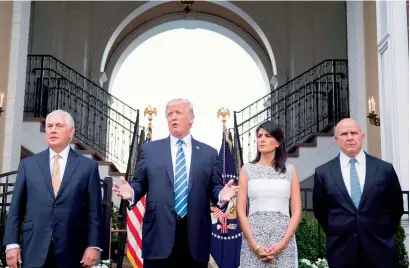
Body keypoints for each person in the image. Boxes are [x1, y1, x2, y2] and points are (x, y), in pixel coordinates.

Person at [113, 98, 239, 268]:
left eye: (178, 113)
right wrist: (133, 192)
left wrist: (222, 197)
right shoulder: (150, 151)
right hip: (158, 238)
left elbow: (215, 188)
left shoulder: (209, 153)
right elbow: (139, 182)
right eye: (169, 114)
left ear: (191, 117)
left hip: (195, 241)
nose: (173, 118)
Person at [3, 110, 103, 268]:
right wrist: (11, 244)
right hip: (34, 249)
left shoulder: (87, 167)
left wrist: (94, 246)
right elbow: (16, 208)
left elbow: (94, 212)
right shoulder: (28, 165)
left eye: (59, 126)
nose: (53, 130)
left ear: (71, 131)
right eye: (49, 126)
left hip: (72, 251)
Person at [313, 118, 404, 268]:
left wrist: (379, 230)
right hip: (342, 252)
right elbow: (321, 211)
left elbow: (396, 208)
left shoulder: (384, 169)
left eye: (353, 133)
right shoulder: (323, 173)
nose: (349, 137)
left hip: (380, 251)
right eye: (344, 134)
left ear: (362, 136)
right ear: (337, 139)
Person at [237, 120, 301, 267]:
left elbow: (296, 211)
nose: (262, 140)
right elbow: (241, 211)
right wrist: (255, 246)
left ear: (277, 142)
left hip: (282, 239)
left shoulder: (290, 171)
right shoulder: (246, 170)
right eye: (259, 136)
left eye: (267, 136)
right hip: (254, 239)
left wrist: (283, 244)